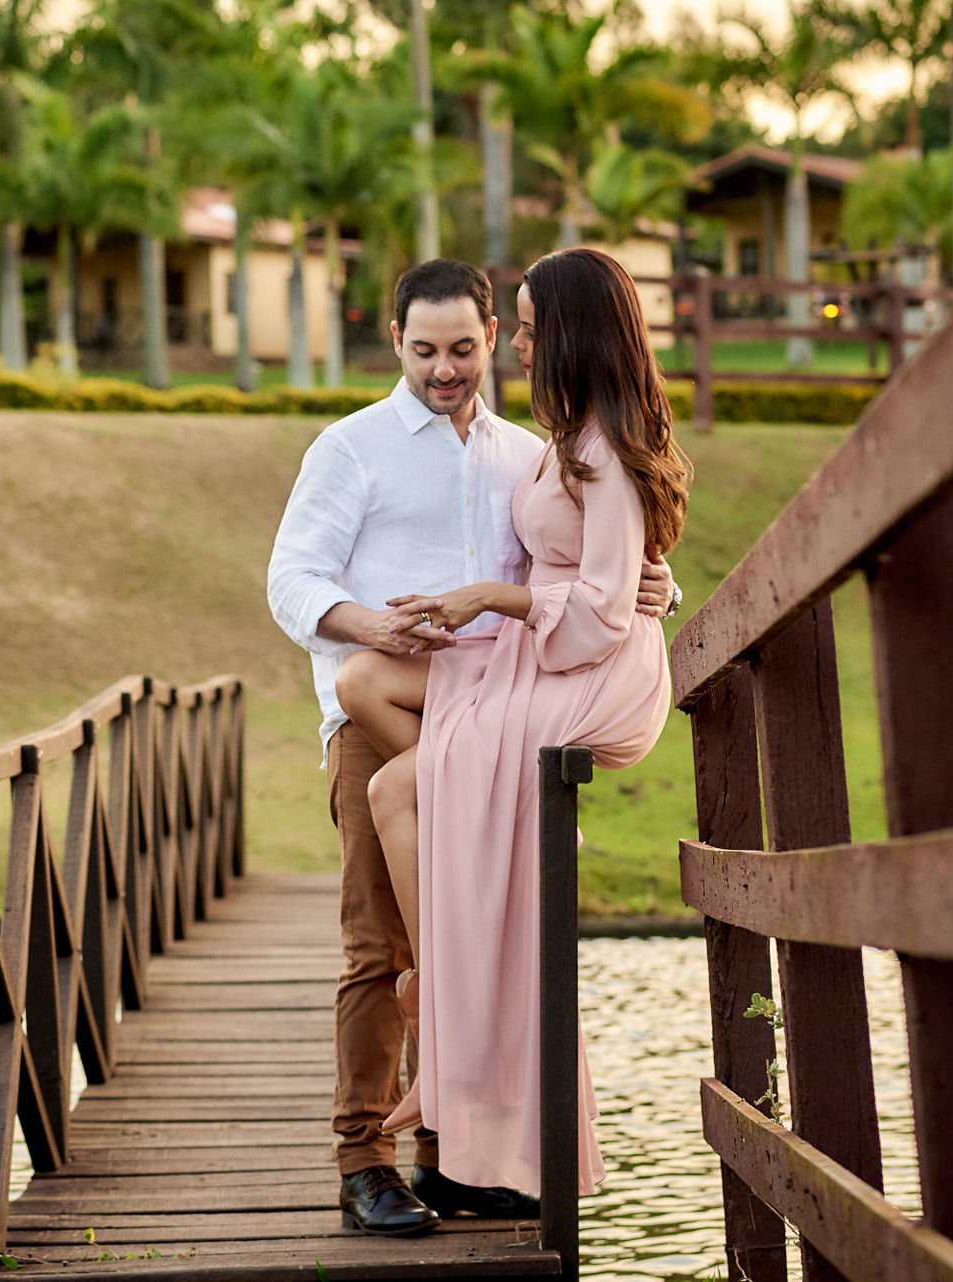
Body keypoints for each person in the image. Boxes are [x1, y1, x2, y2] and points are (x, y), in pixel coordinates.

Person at [266, 257, 678, 1237]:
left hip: (500, 700)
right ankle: (364, 1160)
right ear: (394, 342)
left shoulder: (527, 451)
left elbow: (587, 567)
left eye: (462, 348)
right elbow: (291, 581)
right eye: (423, 351)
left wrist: (656, 590)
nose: (443, 369)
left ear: (493, 338)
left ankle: (451, 1157)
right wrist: (372, 625)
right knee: (382, 945)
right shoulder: (351, 448)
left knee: (476, 929)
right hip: (392, 714)